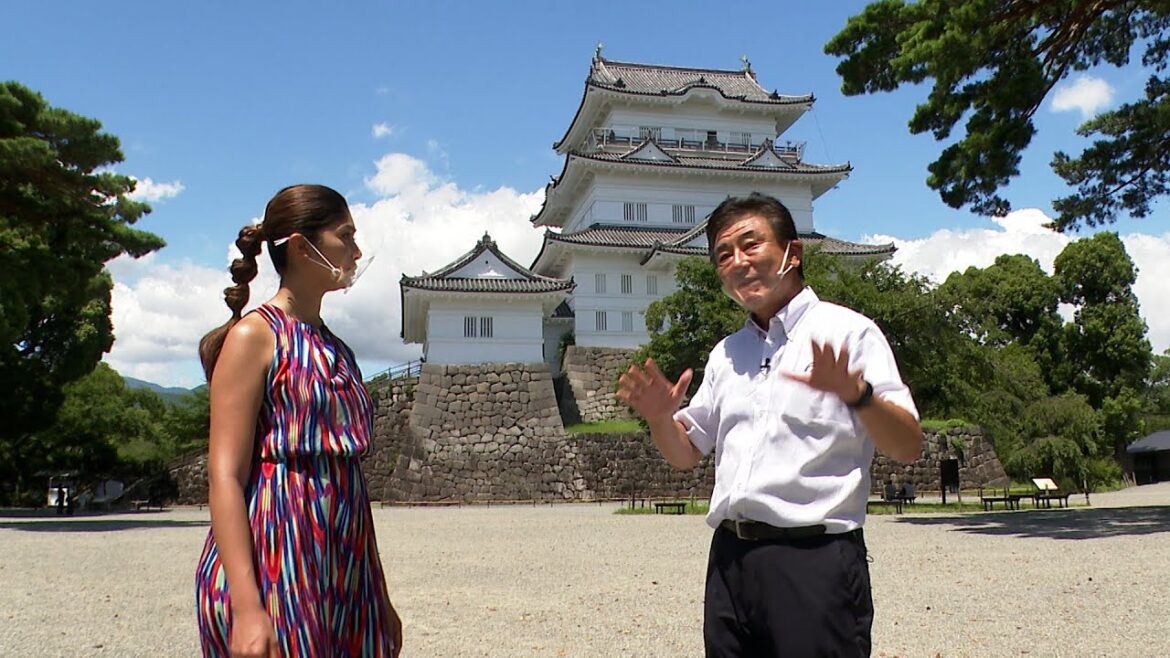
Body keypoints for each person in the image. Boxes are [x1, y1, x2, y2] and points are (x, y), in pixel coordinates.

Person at [616, 192, 922, 657]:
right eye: (724, 254)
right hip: (730, 561)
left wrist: (857, 396)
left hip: (813, 562)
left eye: (751, 245)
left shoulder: (848, 333)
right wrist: (660, 417)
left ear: (792, 254)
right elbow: (685, 453)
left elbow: (908, 446)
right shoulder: (727, 353)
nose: (738, 262)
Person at [194, 184, 401, 658]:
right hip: (275, 554)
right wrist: (247, 608)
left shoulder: (337, 348)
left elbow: (350, 478)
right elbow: (225, 476)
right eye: (345, 235)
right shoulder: (254, 336)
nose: (356, 250)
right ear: (302, 245)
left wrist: (378, 595)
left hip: (343, 561)